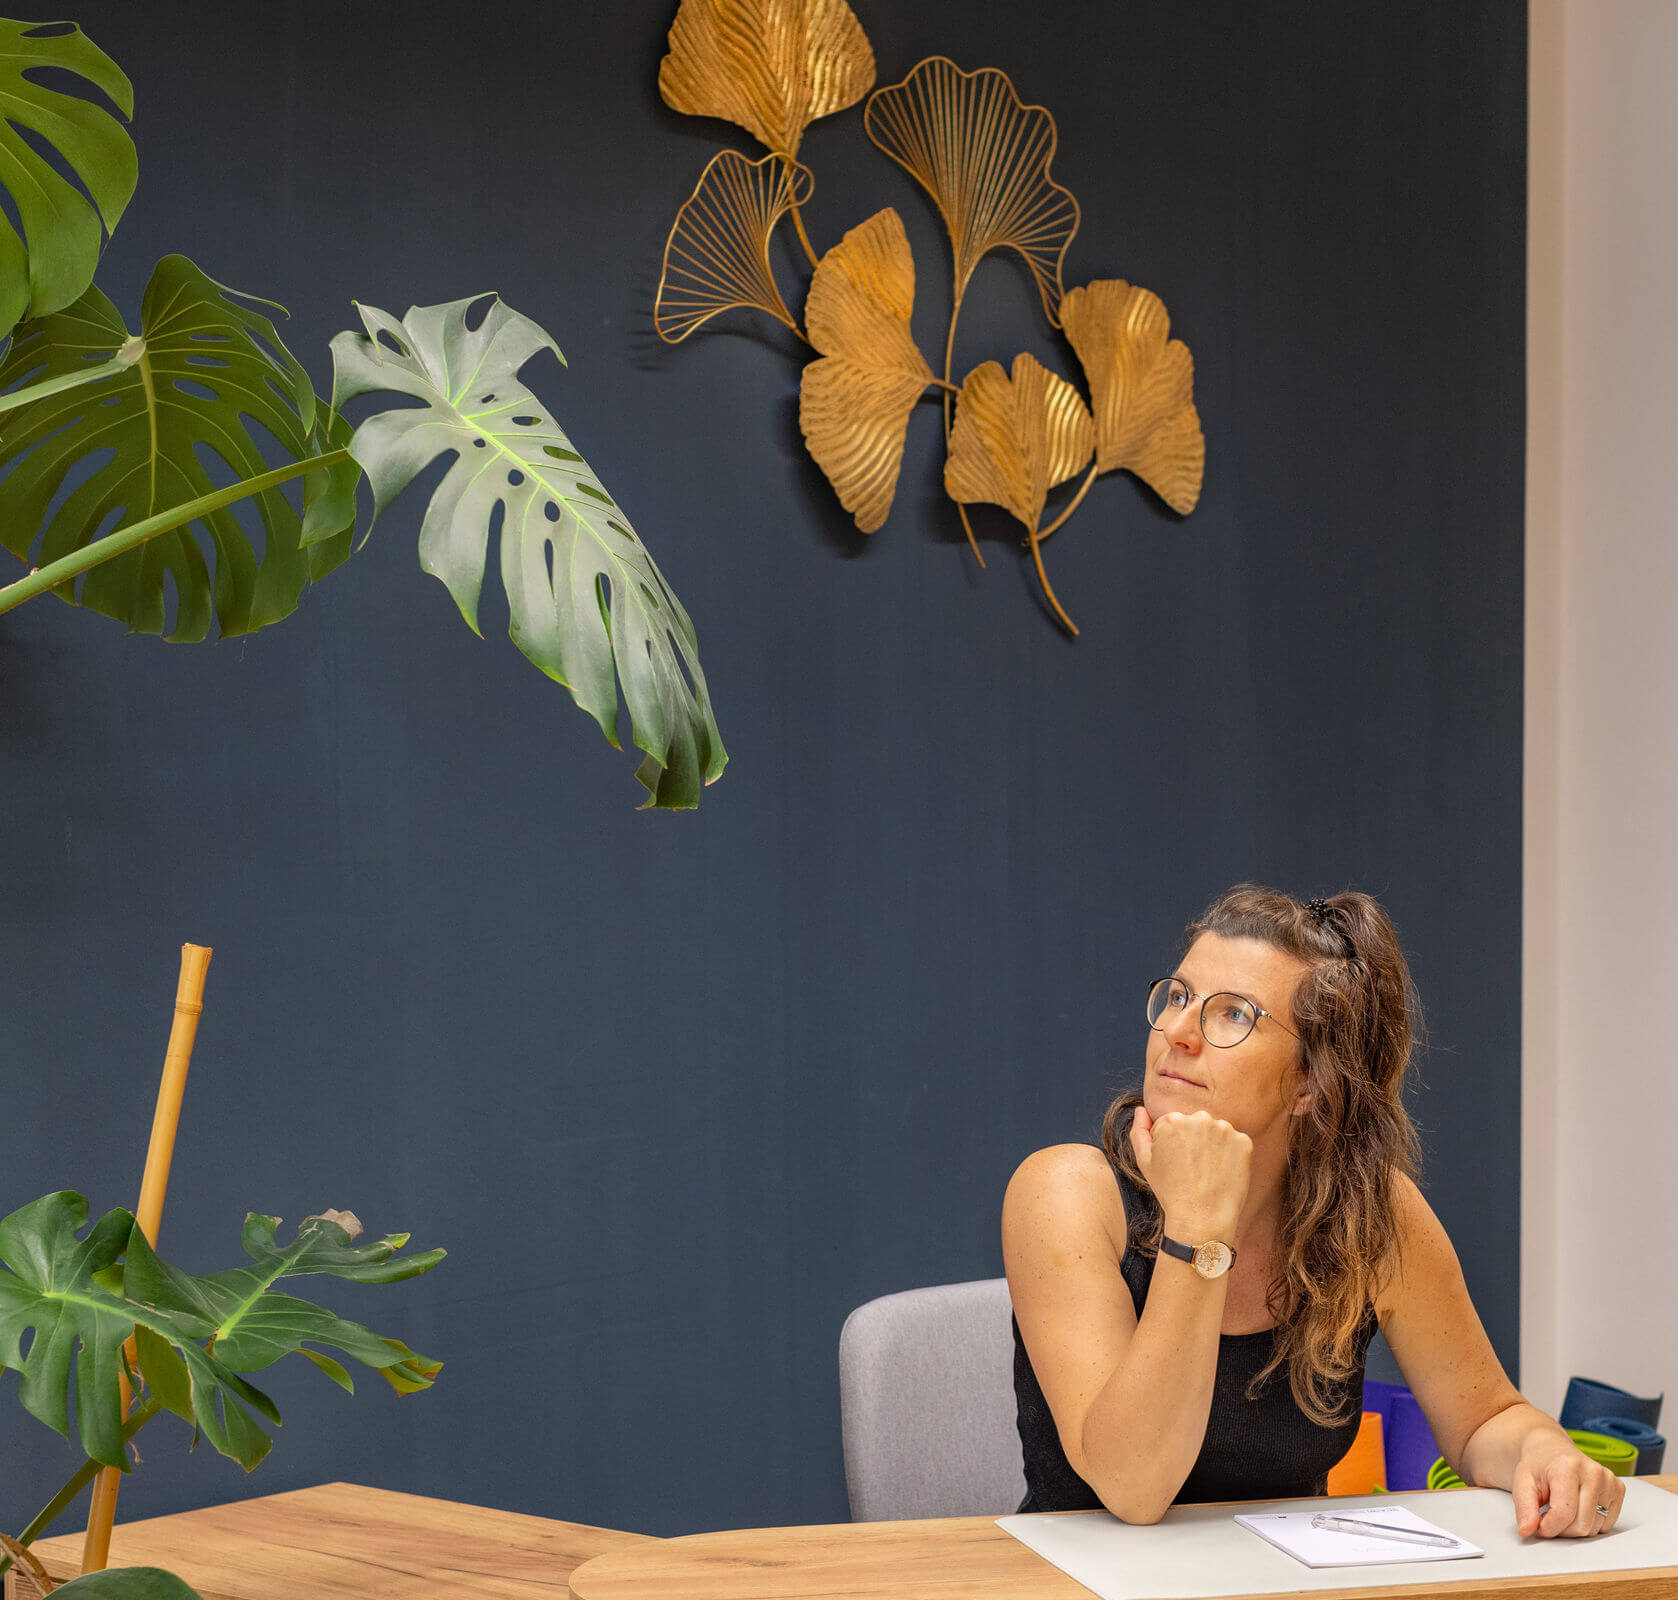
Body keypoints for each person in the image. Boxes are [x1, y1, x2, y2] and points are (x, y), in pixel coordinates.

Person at [1002, 884, 1624, 1538]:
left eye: (1232, 1014)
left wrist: (1544, 1451)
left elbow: (1484, 1422)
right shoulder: (1065, 1192)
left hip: (1282, 1579)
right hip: (1075, 1579)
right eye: (1179, 997)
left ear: (1310, 1081)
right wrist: (1199, 1229)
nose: (1177, 1032)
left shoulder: (1373, 1214)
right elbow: (1135, 1488)